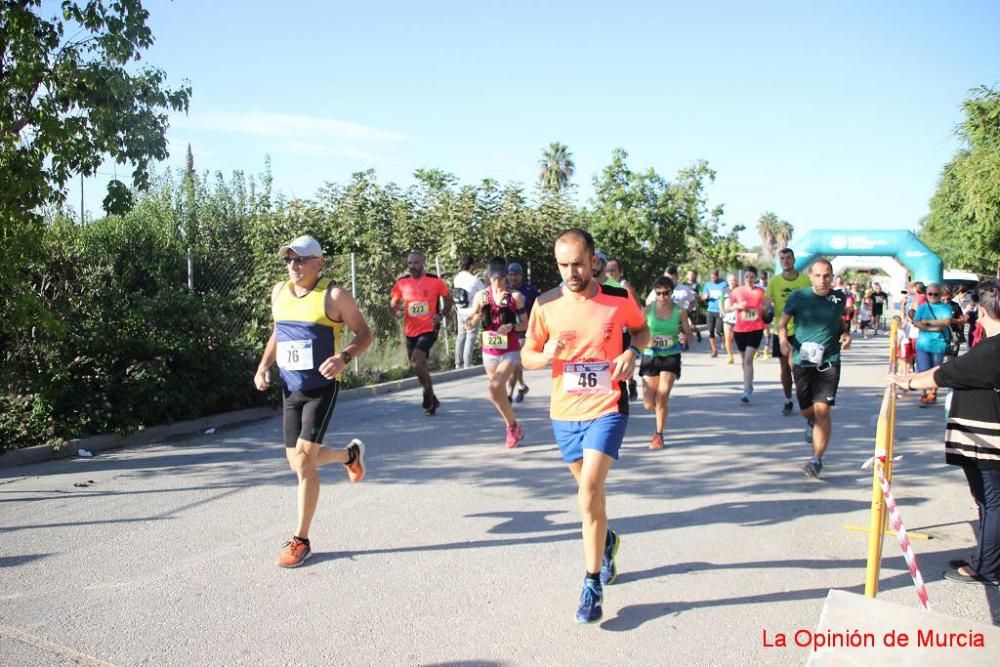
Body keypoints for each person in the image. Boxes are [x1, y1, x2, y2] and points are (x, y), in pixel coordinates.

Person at [521, 228, 649, 624]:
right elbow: (526, 355)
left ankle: (591, 584)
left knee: (590, 490)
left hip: (608, 406)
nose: (571, 272)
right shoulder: (545, 304)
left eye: (578, 263)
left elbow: (642, 329)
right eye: (563, 265)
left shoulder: (617, 298)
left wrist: (632, 351)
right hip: (565, 412)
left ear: (594, 261)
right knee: (588, 495)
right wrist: (545, 355)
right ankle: (606, 540)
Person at [254, 235, 373, 568]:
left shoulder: (333, 296)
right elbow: (278, 333)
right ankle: (349, 455)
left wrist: (344, 357)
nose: (293, 265)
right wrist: (263, 366)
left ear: (318, 262)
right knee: (296, 462)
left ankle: (300, 539)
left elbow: (365, 334)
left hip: (322, 387)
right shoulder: (278, 292)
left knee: (304, 461)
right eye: (289, 260)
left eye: (300, 260)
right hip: (291, 389)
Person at [887, 279, 1000, 586]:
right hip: (982, 437)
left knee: (993, 501)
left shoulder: (993, 349)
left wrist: (909, 382)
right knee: (986, 499)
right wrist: (910, 378)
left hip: (988, 439)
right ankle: (986, 559)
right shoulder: (990, 346)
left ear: (983, 311)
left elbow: (948, 373)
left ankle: (989, 568)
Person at [777, 258, 851, 479]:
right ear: (810, 276)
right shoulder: (798, 297)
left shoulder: (838, 297)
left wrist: (846, 334)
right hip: (802, 361)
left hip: (829, 360)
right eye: (818, 276)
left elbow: (839, 322)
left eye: (826, 275)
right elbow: (782, 323)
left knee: (823, 411)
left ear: (832, 277)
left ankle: (816, 458)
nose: (822, 280)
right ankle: (809, 420)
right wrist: (783, 340)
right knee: (807, 411)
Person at [465, 257, 528, 448]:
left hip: (509, 350)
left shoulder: (514, 297)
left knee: (493, 389)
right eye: (493, 279)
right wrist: (472, 321)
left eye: (500, 279)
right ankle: (513, 426)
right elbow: (471, 319)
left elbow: (526, 323)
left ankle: (512, 429)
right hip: (489, 350)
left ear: (505, 277)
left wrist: (512, 327)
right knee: (497, 393)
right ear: (488, 277)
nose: (496, 283)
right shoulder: (481, 296)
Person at [390, 250, 453, 415]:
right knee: (418, 366)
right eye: (410, 263)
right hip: (410, 330)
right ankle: (433, 399)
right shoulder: (402, 283)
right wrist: (397, 310)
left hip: (429, 328)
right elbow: (394, 301)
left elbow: (448, 299)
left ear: (423, 263)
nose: (412, 266)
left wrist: (441, 315)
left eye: (416, 263)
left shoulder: (435, 281)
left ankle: (427, 394)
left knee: (418, 362)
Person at [641, 276, 693, 449]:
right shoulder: (647, 310)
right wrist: (646, 341)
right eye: (659, 293)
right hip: (650, 355)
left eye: (666, 293)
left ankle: (659, 434)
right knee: (649, 403)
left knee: (662, 396)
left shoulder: (680, 311)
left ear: (672, 293)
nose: (662, 297)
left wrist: (685, 338)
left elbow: (689, 335)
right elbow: (638, 333)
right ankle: (659, 410)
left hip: (671, 355)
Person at [765, 248, 811, 415]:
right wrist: (765, 310)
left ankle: (805, 398)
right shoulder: (775, 282)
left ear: (794, 260)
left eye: (788, 258)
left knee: (798, 366)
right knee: (785, 367)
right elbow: (766, 303)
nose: (785, 261)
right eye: (782, 258)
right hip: (782, 331)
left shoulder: (805, 281)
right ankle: (788, 399)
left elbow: (812, 302)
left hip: (801, 330)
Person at [728, 266, 767, 403]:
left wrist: (764, 309)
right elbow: (729, 307)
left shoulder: (761, 292)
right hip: (740, 329)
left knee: (748, 360)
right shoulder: (737, 291)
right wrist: (738, 307)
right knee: (744, 360)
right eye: (746, 277)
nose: (749, 279)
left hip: (756, 328)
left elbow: (767, 307)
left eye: (752, 277)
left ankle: (746, 391)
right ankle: (749, 383)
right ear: (743, 278)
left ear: (756, 278)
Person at [606, 257, 641, 400]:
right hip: (609, 331)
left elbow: (636, 308)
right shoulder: (601, 286)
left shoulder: (623, 286)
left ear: (620, 272)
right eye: (607, 270)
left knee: (625, 360)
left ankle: (630, 382)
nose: (609, 274)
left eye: (612, 271)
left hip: (624, 331)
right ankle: (613, 386)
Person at [912, 282, 953, 406]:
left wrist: (926, 322)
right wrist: (933, 327)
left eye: (936, 294)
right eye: (930, 294)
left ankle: (933, 393)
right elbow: (916, 322)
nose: (933, 296)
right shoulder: (922, 307)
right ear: (926, 294)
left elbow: (946, 321)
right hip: (922, 344)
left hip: (938, 344)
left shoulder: (946, 307)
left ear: (940, 294)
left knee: (935, 370)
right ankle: (923, 393)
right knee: (922, 370)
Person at [506, 262, 538, 403]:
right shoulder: (505, 291)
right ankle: (522, 386)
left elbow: (540, 309)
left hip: (526, 331)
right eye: (511, 274)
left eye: (516, 274)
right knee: (515, 362)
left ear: (521, 275)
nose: (513, 278)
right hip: (509, 331)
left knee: (515, 361)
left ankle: (508, 395)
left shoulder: (530, 290)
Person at [453, 256, 485, 370]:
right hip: (472, 311)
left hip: (460, 311)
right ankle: (467, 364)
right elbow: (483, 292)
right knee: (470, 337)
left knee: (461, 336)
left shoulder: (457, 278)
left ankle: (458, 364)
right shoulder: (474, 280)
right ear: (471, 266)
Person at [701, 269, 729, 358]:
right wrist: (705, 297)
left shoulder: (724, 284)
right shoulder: (707, 285)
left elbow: (728, 294)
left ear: (717, 276)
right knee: (711, 331)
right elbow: (703, 296)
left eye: (714, 277)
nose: (713, 279)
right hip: (710, 310)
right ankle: (714, 350)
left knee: (719, 330)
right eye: (711, 277)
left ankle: (723, 341)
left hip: (720, 310)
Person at [722, 272, 739, 364]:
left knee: (739, 338)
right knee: (727, 337)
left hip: (738, 318)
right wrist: (722, 310)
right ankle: (730, 356)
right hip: (727, 317)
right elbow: (721, 301)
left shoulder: (740, 290)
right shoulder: (724, 290)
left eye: (734, 280)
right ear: (727, 281)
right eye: (731, 280)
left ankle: (744, 353)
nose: (732, 282)